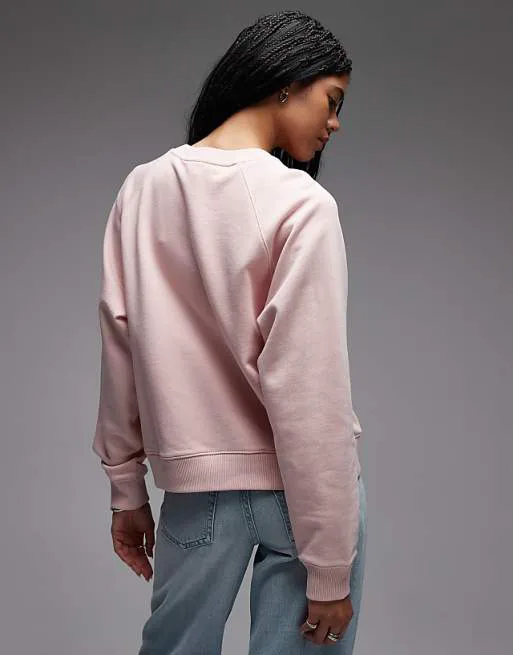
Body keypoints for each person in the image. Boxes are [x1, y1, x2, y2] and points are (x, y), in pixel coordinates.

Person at [92, 9, 367, 654]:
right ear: (286, 82)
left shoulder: (143, 189)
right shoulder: (302, 204)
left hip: (197, 497)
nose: (335, 123)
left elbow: (120, 346)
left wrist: (127, 491)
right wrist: (330, 565)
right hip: (302, 500)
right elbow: (309, 388)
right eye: (332, 101)